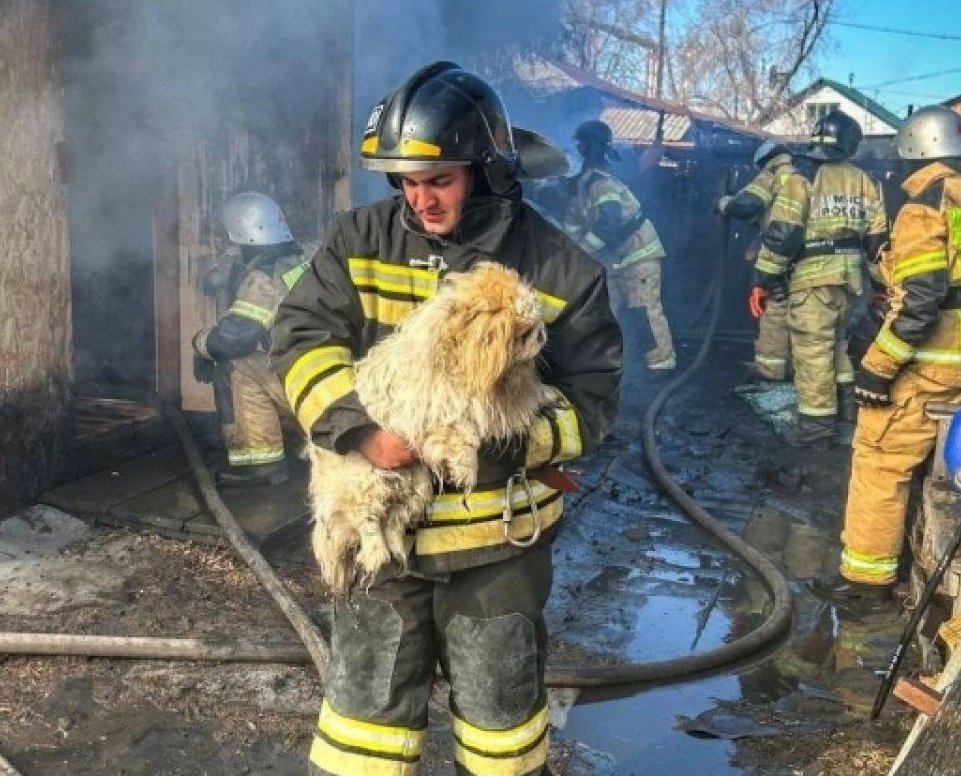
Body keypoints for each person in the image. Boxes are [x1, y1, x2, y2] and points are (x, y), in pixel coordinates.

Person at [270, 62, 622, 776]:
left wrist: (489, 444)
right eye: (406, 181)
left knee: (500, 730)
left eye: (440, 181)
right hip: (379, 540)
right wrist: (361, 431)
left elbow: (595, 403)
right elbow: (300, 340)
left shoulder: (561, 267)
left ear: (486, 170)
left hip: (497, 547)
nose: (419, 199)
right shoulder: (358, 240)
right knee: (362, 729)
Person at [813, 106, 961, 611]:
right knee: (953, 461)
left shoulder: (926, 204)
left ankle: (865, 581)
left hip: (932, 354)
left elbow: (921, 299)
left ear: (915, 151)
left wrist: (876, 369)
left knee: (881, 458)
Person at [751, 110, 888, 447]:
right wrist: (881, 288)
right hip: (851, 283)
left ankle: (815, 434)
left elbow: (784, 234)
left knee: (812, 356)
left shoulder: (802, 179)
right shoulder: (865, 182)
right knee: (838, 346)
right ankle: (845, 414)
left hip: (812, 283)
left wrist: (761, 279)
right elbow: (878, 243)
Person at [191, 191, 309, 487]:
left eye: (230, 239)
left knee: (237, 365)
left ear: (243, 235)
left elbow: (232, 341)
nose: (229, 246)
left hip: (308, 382)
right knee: (267, 360)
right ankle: (302, 442)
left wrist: (200, 346)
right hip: (328, 372)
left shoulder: (263, 279)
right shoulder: (305, 255)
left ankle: (262, 463)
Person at [565, 119, 675, 371]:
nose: (575, 150)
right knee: (607, 310)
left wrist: (583, 252)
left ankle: (661, 366)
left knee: (643, 311)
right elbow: (576, 226)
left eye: (579, 145)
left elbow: (609, 225)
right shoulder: (585, 184)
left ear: (585, 148)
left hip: (638, 256)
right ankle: (604, 363)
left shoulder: (600, 183)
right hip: (616, 259)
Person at [717, 139, 800, 382]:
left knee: (774, 311)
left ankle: (770, 370)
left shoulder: (773, 174)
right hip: (805, 257)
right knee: (799, 314)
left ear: (764, 161)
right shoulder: (800, 176)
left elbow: (746, 205)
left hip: (780, 253)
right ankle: (795, 368)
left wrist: (723, 203)